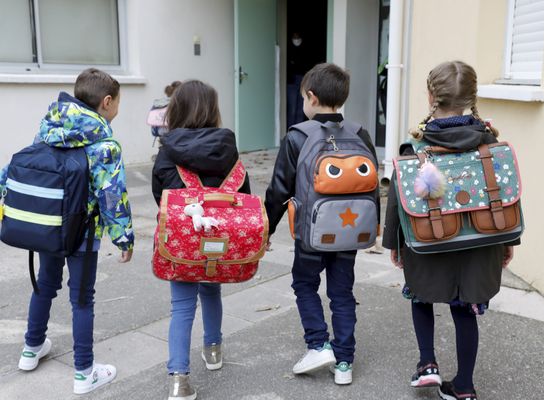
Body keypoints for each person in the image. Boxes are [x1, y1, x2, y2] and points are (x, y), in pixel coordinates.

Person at [382, 60, 518, 400]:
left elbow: (398, 203)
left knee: (420, 297)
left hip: (428, 235)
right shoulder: (493, 147)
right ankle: (465, 387)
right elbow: (505, 196)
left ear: (431, 96)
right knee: (464, 310)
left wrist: (395, 245)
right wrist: (508, 240)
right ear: (474, 97)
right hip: (483, 237)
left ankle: (427, 364)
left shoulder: (414, 149)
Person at [0, 68, 134, 394]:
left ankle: (31, 350)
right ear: (106, 102)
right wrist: (123, 237)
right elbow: (112, 196)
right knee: (82, 300)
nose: (118, 108)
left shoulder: (49, 128)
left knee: (44, 286)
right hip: (83, 235)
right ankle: (84, 372)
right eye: (117, 103)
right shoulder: (105, 145)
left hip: (47, 227)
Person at [265, 63, 379, 385]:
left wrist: (267, 229)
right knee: (342, 292)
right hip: (350, 232)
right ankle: (344, 363)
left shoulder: (298, 135)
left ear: (311, 98)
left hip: (311, 235)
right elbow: (370, 187)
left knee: (305, 284)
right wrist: (375, 226)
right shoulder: (359, 133)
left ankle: (318, 345)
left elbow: (279, 190)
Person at [151, 80, 251, 400]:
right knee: (211, 292)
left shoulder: (168, 150)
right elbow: (244, 195)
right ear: (213, 109)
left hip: (181, 242)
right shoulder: (229, 148)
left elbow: (160, 195)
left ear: (176, 108)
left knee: (181, 307)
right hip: (219, 240)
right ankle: (213, 349)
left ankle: (179, 379)